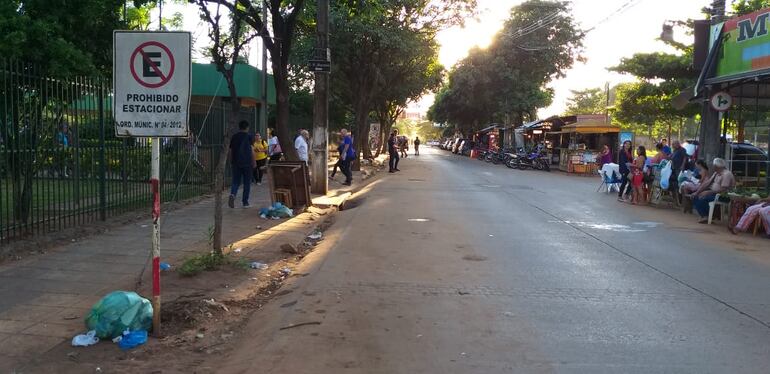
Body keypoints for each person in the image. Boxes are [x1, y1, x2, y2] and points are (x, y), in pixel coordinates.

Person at [689, 158, 736, 223]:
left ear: (717, 166)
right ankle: (705, 215)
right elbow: (707, 183)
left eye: (714, 166)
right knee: (695, 196)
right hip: (714, 193)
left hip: (723, 196)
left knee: (703, 198)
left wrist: (708, 192)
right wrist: (697, 192)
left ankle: (707, 216)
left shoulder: (726, 174)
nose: (713, 167)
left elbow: (724, 189)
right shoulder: (716, 173)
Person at [229, 120, 255, 209]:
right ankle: (245, 202)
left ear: (239, 127)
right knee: (247, 183)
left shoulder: (234, 137)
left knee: (235, 181)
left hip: (236, 162)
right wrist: (254, 161)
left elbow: (231, 150)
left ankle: (233, 194)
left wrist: (231, 160)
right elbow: (252, 150)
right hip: (247, 162)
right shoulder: (249, 137)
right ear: (247, 127)